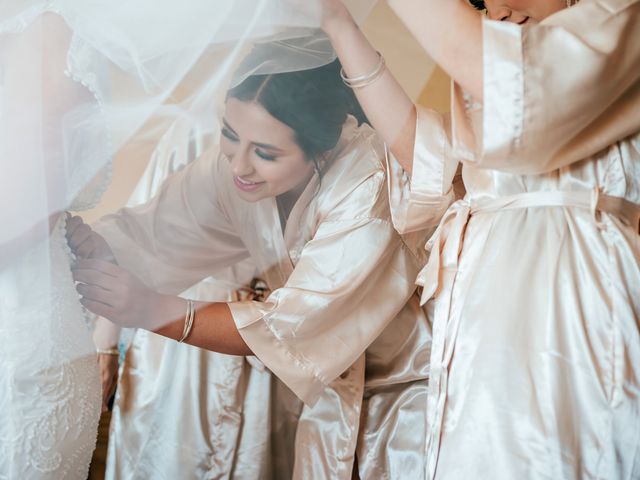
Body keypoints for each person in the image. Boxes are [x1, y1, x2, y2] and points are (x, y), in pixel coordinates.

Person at [67, 51, 433, 479]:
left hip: (406, 397)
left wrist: (152, 310)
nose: (239, 164)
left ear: (324, 146)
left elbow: (294, 325)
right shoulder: (233, 169)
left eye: (265, 152)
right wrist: (90, 247)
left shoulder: (368, 189)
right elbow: (154, 234)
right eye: (229, 134)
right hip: (332, 396)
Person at [320, 0, 640, 478]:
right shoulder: (499, 94)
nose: (504, 9)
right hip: (482, 335)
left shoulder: (622, 22)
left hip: (574, 316)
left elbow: (519, 83)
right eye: (485, 3)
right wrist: (339, 25)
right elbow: (428, 157)